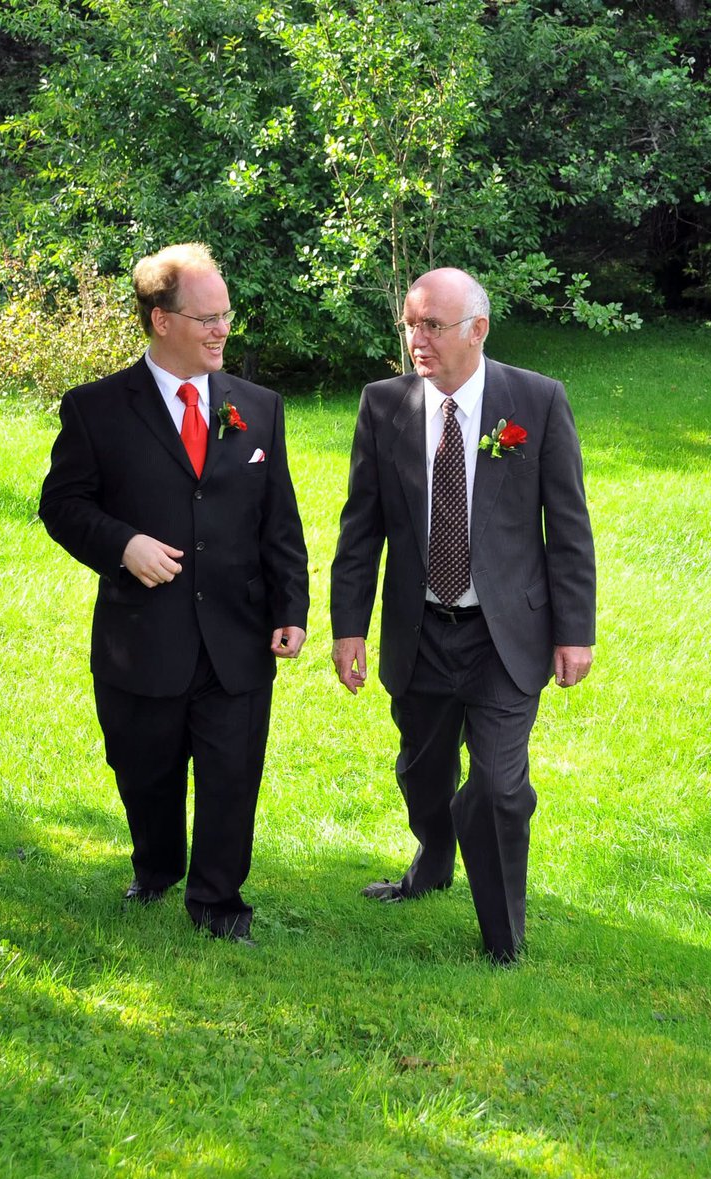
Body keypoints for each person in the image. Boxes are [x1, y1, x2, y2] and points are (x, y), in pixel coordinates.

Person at [40, 243, 309, 942]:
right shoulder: (96, 409)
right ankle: (157, 869)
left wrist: (291, 610)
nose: (222, 330)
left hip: (237, 635)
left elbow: (278, 519)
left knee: (231, 777)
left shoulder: (258, 408)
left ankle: (220, 905)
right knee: (145, 772)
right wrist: (122, 545)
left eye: (226, 316)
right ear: (161, 321)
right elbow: (62, 506)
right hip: (142, 635)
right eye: (206, 318)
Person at [330, 268, 595, 963]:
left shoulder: (534, 402)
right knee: (422, 774)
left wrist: (574, 633)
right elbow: (361, 528)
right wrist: (348, 627)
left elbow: (566, 528)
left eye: (432, 326)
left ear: (476, 330)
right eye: (410, 324)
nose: (417, 339)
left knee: (500, 787)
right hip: (418, 632)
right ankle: (433, 858)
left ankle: (502, 938)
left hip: (504, 636)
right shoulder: (382, 405)